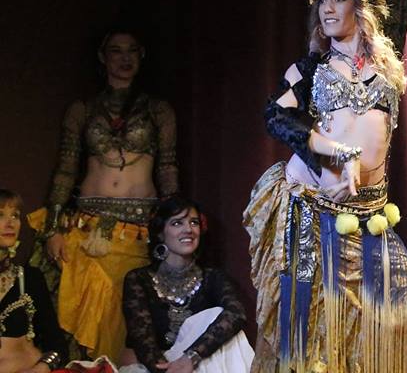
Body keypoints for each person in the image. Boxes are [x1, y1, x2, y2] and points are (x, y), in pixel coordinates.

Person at [243, 0, 407, 373]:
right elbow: (277, 118)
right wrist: (338, 154)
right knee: (314, 340)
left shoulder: (387, 60)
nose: (327, 8)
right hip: (312, 214)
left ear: (361, 6)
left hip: (370, 218)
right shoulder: (309, 70)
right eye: (321, 0)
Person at [28, 29, 178, 361]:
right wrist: (53, 228)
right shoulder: (82, 109)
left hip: (137, 231)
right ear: (102, 57)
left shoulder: (158, 110)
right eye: (116, 51)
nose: (124, 58)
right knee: (83, 320)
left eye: (132, 51)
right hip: (89, 228)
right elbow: (66, 168)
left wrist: (174, 222)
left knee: (127, 317)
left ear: (141, 56)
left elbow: (167, 167)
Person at [121, 196, 252, 373]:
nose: (188, 229)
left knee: (218, 318)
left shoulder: (212, 277)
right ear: (160, 233)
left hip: (198, 365)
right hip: (155, 368)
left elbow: (237, 313)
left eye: (194, 222)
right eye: (177, 223)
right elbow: (143, 341)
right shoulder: (138, 279)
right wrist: (171, 369)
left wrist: (191, 357)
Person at [0, 189, 65, 373]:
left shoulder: (30, 278)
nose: (11, 223)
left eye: (15, 216)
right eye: (0, 215)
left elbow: (57, 346)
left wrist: (40, 369)